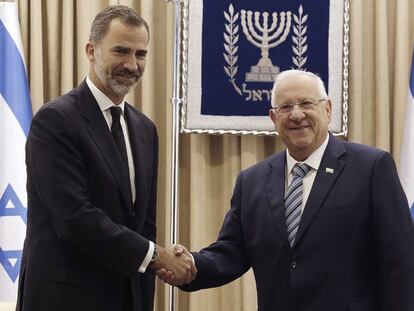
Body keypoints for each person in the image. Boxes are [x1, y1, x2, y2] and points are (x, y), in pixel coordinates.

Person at [158, 70, 414, 311]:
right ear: (273, 118)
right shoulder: (252, 181)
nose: (296, 115)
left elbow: (400, 262)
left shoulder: (371, 168)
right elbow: (230, 254)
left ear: (327, 109)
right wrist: (190, 265)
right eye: (286, 107)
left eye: (306, 104)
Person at [16, 5, 195, 311]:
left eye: (141, 54)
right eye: (121, 51)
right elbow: (74, 218)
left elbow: (144, 225)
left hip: (128, 299)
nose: (132, 64)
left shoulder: (144, 129)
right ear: (91, 51)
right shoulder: (55, 120)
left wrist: (156, 260)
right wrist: (155, 255)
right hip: (64, 300)